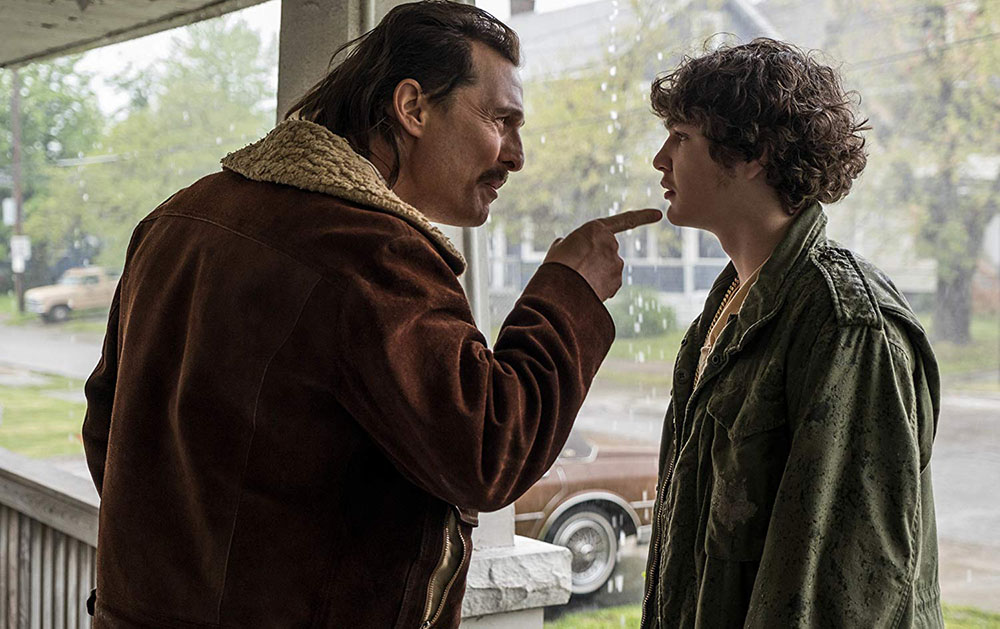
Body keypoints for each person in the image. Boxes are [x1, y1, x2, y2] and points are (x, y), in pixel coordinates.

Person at [81, 2, 660, 627]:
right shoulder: (368, 252)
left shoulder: (177, 219)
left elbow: (108, 430)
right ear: (412, 108)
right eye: (501, 120)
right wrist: (569, 292)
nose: (516, 155)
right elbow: (488, 450)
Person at [640, 38, 942, 628]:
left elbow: (838, 593)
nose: (660, 158)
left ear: (752, 153)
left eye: (681, 137)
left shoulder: (846, 326)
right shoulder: (727, 308)